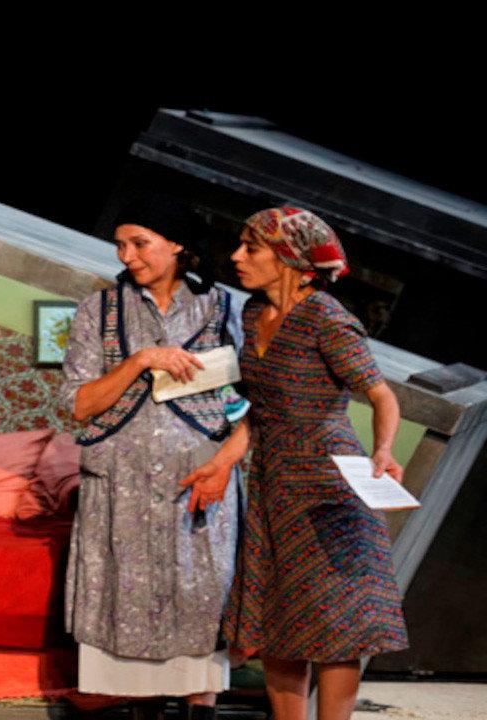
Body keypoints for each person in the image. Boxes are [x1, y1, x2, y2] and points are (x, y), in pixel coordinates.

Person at [60, 198, 249, 720]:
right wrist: (141, 359)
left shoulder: (224, 308)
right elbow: (78, 404)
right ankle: (139, 708)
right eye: (120, 245)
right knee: (126, 595)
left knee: (198, 590)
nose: (128, 256)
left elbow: (252, 402)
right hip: (122, 483)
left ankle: (199, 710)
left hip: (200, 478)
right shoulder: (98, 310)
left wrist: (226, 465)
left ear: (176, 244)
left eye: (139, 243)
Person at [223, 207, 407, 720]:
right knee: (277, 619)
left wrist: (383, 450)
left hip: (328, 485)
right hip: (273, 482)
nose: (237, 257)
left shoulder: (326, 318)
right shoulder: (253, 313)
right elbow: (257, 409)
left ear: (291, 260)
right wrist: (222, 462)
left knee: (335, 621)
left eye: (251, 248)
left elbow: (381, 395)